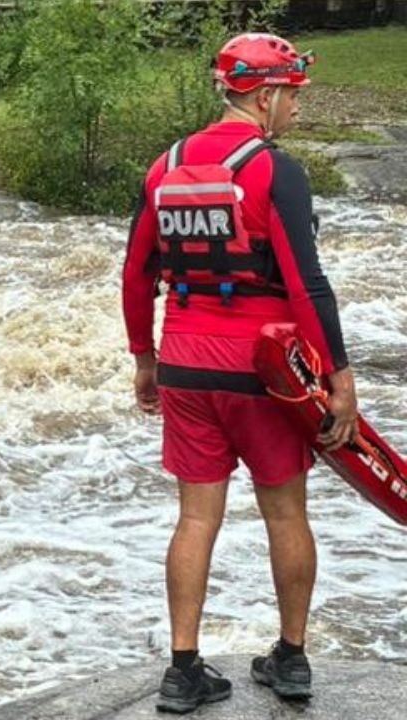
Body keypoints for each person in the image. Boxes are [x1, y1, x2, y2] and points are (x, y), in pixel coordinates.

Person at [121, 32, 359, 714]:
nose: (296, 113)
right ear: (265, 93)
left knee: (195, 518)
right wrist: (339, 376)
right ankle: (290, 659)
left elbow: (137, 274)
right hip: (265, 372)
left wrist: (145, 358)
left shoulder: (163, 165)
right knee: (285, 511)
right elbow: (307, 283)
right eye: (292, 97)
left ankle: (183, 668)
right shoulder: (272, 168)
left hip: (187, 367)